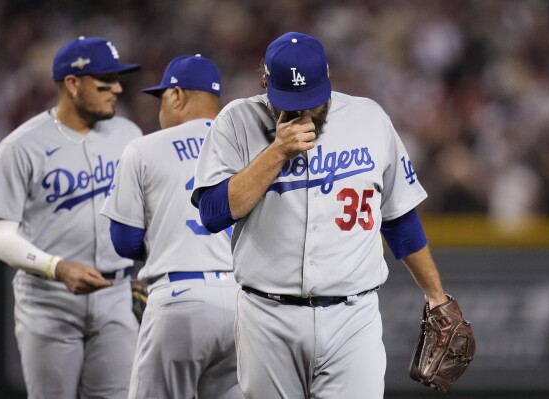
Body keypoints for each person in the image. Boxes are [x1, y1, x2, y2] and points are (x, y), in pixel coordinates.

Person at [191, 31, 451, 398]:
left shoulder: (369, 119)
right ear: (265, 82)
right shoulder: (236, 121)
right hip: (267, 317)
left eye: (312, 97)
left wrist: (436, 296)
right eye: (291, 100)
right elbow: (213, 213)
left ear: (328, 75)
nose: (305, 110)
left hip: (352, 316)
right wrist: (276, 153)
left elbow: (398, 219)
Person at [0, 36, 142, 398]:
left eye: (117, 79)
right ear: (72, 84)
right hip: (48, 300)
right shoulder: (19, 147)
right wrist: (56, 266)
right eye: (105, 81)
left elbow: (145, 212)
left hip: (116, 294)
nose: (117, 88)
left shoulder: (128, 134)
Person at [100, 54, 242, 399]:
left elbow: (124, 241)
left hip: (180, 298)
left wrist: (166, 239)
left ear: (177, 96)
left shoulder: (145, 148)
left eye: (161, 97)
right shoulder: (252, 149)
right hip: (245, 303)